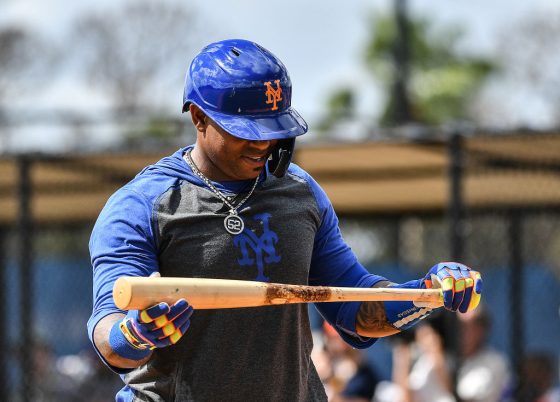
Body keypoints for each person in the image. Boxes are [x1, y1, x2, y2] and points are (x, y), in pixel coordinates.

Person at [87, 38, 483, 402]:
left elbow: (355, 308)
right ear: (198, 117)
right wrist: (134, 333)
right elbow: (108, 333)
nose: (263, 143)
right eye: (245, 129)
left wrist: (425, 294)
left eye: (272, 128)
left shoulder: (300, 193)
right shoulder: (141, 205)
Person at [455, 305, 510, 402]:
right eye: (456, 325)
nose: (459, 332)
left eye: (465, 326)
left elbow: (468, 397)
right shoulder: (447, 357)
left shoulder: (495, 363)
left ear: (480, 330)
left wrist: (439, 365)